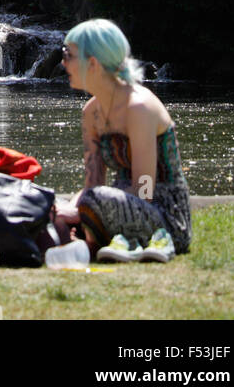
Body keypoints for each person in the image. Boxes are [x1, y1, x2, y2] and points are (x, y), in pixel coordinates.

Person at [55, 19, 191, 259]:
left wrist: (85, 209)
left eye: (68, 55)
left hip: (163, 213)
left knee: (89, 202)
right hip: (118, 201)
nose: (63, 62)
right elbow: (93, 182)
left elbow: (145, 188)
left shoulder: (139, 107)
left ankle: (96, 238)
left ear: (93, 63)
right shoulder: (91, 113)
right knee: (51, 202)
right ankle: (95, 237)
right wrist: (73, 207)